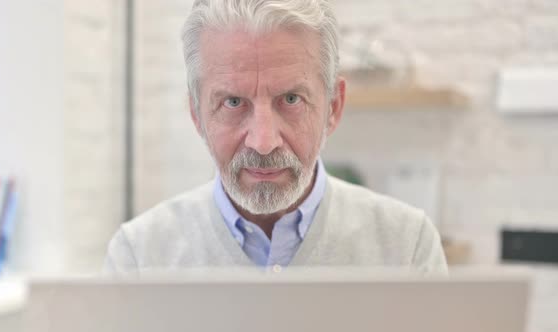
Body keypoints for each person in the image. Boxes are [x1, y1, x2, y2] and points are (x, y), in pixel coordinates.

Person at [104, 0, 448, 275]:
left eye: (291, 99)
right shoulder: (139, 256)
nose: (263, 141)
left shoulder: (406, 247)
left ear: (333, 106)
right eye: (233, 102)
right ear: (197, 114)